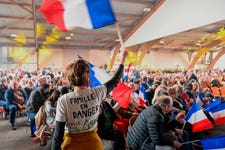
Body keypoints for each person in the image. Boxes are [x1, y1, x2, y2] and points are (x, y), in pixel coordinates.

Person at [51, 51, 128, 150]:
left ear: (70, 78)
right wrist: (122, 60)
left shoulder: (63, 100)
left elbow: (58, 136)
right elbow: (116, 79)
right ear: (87, 77)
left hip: (72, 144)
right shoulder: (98, 92)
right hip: (93, 143)